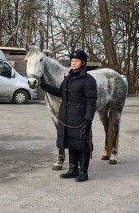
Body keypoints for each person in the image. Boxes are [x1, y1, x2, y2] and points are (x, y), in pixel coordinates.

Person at [40, 50, 97, 182]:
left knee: (82, 144)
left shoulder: (89, 80)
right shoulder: (68, 79)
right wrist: (46, 87)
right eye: (72, 61)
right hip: (67, 117)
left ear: (83, 63)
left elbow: (91, 101)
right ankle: (73, 169)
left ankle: (83, 172)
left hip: (81, 118)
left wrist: (88, 119)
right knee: (71, 143)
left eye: (76, 61)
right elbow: (61, 93)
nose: (74, 63)